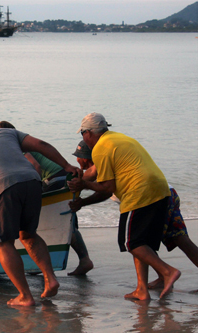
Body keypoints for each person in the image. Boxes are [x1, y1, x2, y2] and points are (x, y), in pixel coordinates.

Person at [0, 107, 81, 306]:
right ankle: (50, 278)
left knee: (4, 243)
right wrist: (66, 166)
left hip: (1, 187)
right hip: (32, 181)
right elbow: (41, 144)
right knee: (28, 234)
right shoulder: (7, 132)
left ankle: (25, 296)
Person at [68, 112, 181, 300]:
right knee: (141, 243)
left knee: (132, 243)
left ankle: (167, 271)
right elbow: (98, 180)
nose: (83, 138)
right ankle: (142, 290)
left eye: (82, 134)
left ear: (88, 133)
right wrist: (83, 196)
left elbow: (107, 188)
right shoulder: (119, 138)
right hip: (161, 189)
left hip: (139, 193)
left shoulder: (101, 148)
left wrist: (83, 186)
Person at [70, 143, 198, 287]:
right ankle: (162, 277)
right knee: (179, 239)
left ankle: (164, 275)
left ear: (87, 158)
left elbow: (102, 190)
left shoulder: (100, 165)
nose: (77, 161)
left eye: (79, 157)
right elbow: (103, 190)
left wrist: (77, 192)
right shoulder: (109, 162)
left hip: (150, 199)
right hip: (168, 193)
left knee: (137, 241)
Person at [0, 121, 68, 192]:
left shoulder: (18, 148)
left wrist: (37, 188)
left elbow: (36, 166)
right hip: (64, 174)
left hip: (53, 177)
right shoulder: (24, 143)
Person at [66, 140, 97, 275]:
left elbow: (106, 191)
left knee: (137, 246)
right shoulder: (95, 170)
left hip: (139, 199)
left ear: (84, 158)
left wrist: (82, 202)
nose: (77, 160)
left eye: (78, 156)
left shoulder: (94, 171)